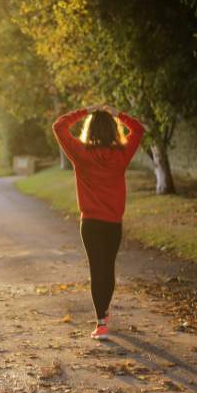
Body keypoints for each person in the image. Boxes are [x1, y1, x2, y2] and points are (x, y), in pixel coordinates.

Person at [52, 103, 145, 340]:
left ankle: (101, 322)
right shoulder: (121, 155)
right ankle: (104, 311)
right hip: (113, 223)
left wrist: (85, 110)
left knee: (97, 269)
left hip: (91, 223)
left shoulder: (81, 154)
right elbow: (139, 129)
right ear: (113, 130)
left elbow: (59, 126)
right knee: (108, 268)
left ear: (89, 129)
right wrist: (118, 113)